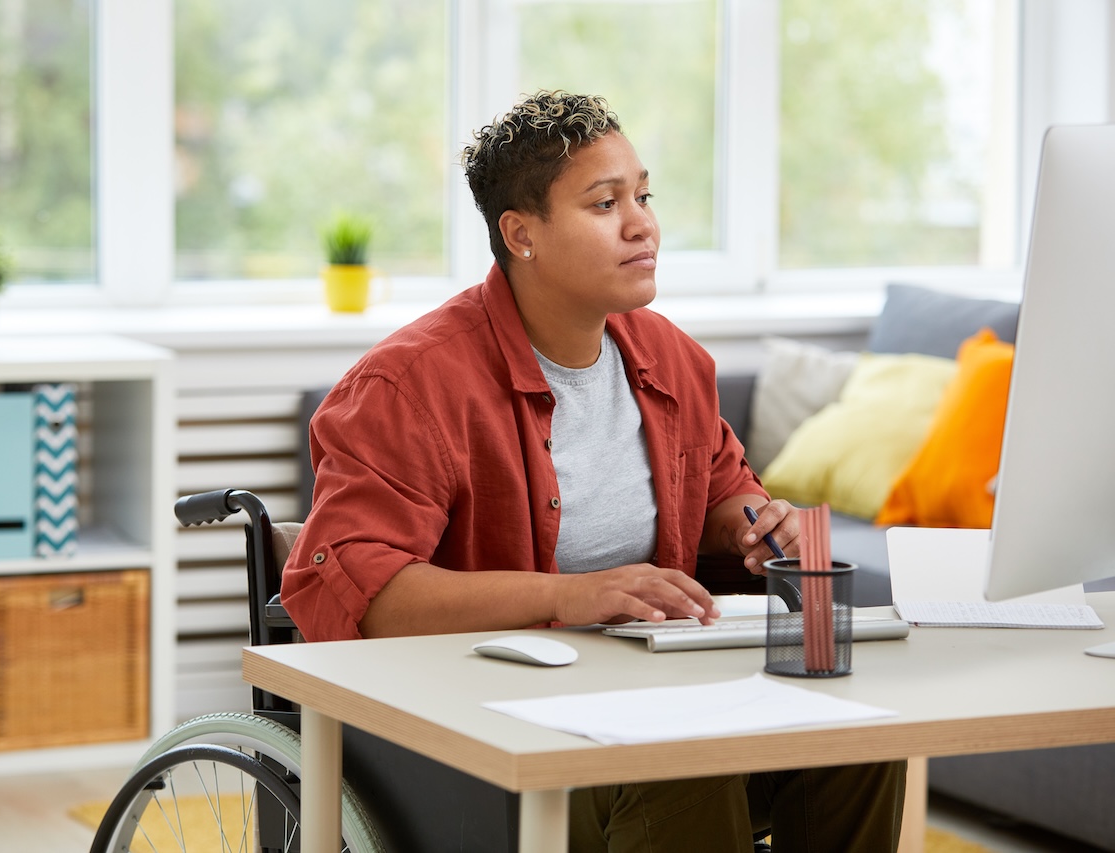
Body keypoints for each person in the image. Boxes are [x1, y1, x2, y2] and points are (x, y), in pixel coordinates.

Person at [282, 90, 905, 852]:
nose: (642, 223)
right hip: (471, 731)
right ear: (521, 235)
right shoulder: (409, 386)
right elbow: (362, 594)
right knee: (685, 760)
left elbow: (721, 485)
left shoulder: (671, 357)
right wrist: (572, 595)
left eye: (643, 195)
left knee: (859, 741)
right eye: (605, 202)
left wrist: (750, 523)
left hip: (640, 699)